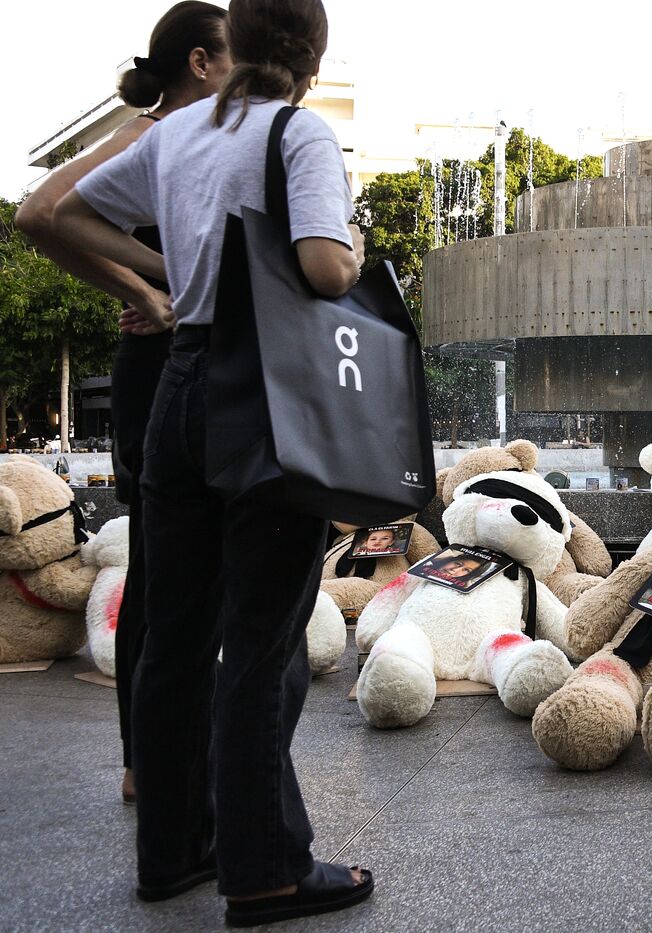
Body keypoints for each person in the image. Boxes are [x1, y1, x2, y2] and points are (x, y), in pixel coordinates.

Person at [51, 0, 372, 922]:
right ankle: (265, 865)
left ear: (237, 39)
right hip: (268, 391)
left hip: (183, 385)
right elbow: (319, 267)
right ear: (312, 52)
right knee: (261, 639)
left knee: (176, 634)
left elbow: (65, 214)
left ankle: (170, 852)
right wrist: (349, 251)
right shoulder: (300, 133)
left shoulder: (181, 128)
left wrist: (157, 285)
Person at [17, 1, 231, 809]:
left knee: (172, 566)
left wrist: (150, 280)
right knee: (163, 568)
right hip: (162, 366)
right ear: (201, 65)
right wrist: (154, 282)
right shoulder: (154, 133)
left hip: (172, 357)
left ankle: (161, 755)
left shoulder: (200, 140)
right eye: (234, 56)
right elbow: (40, 212)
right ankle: (146, 759)